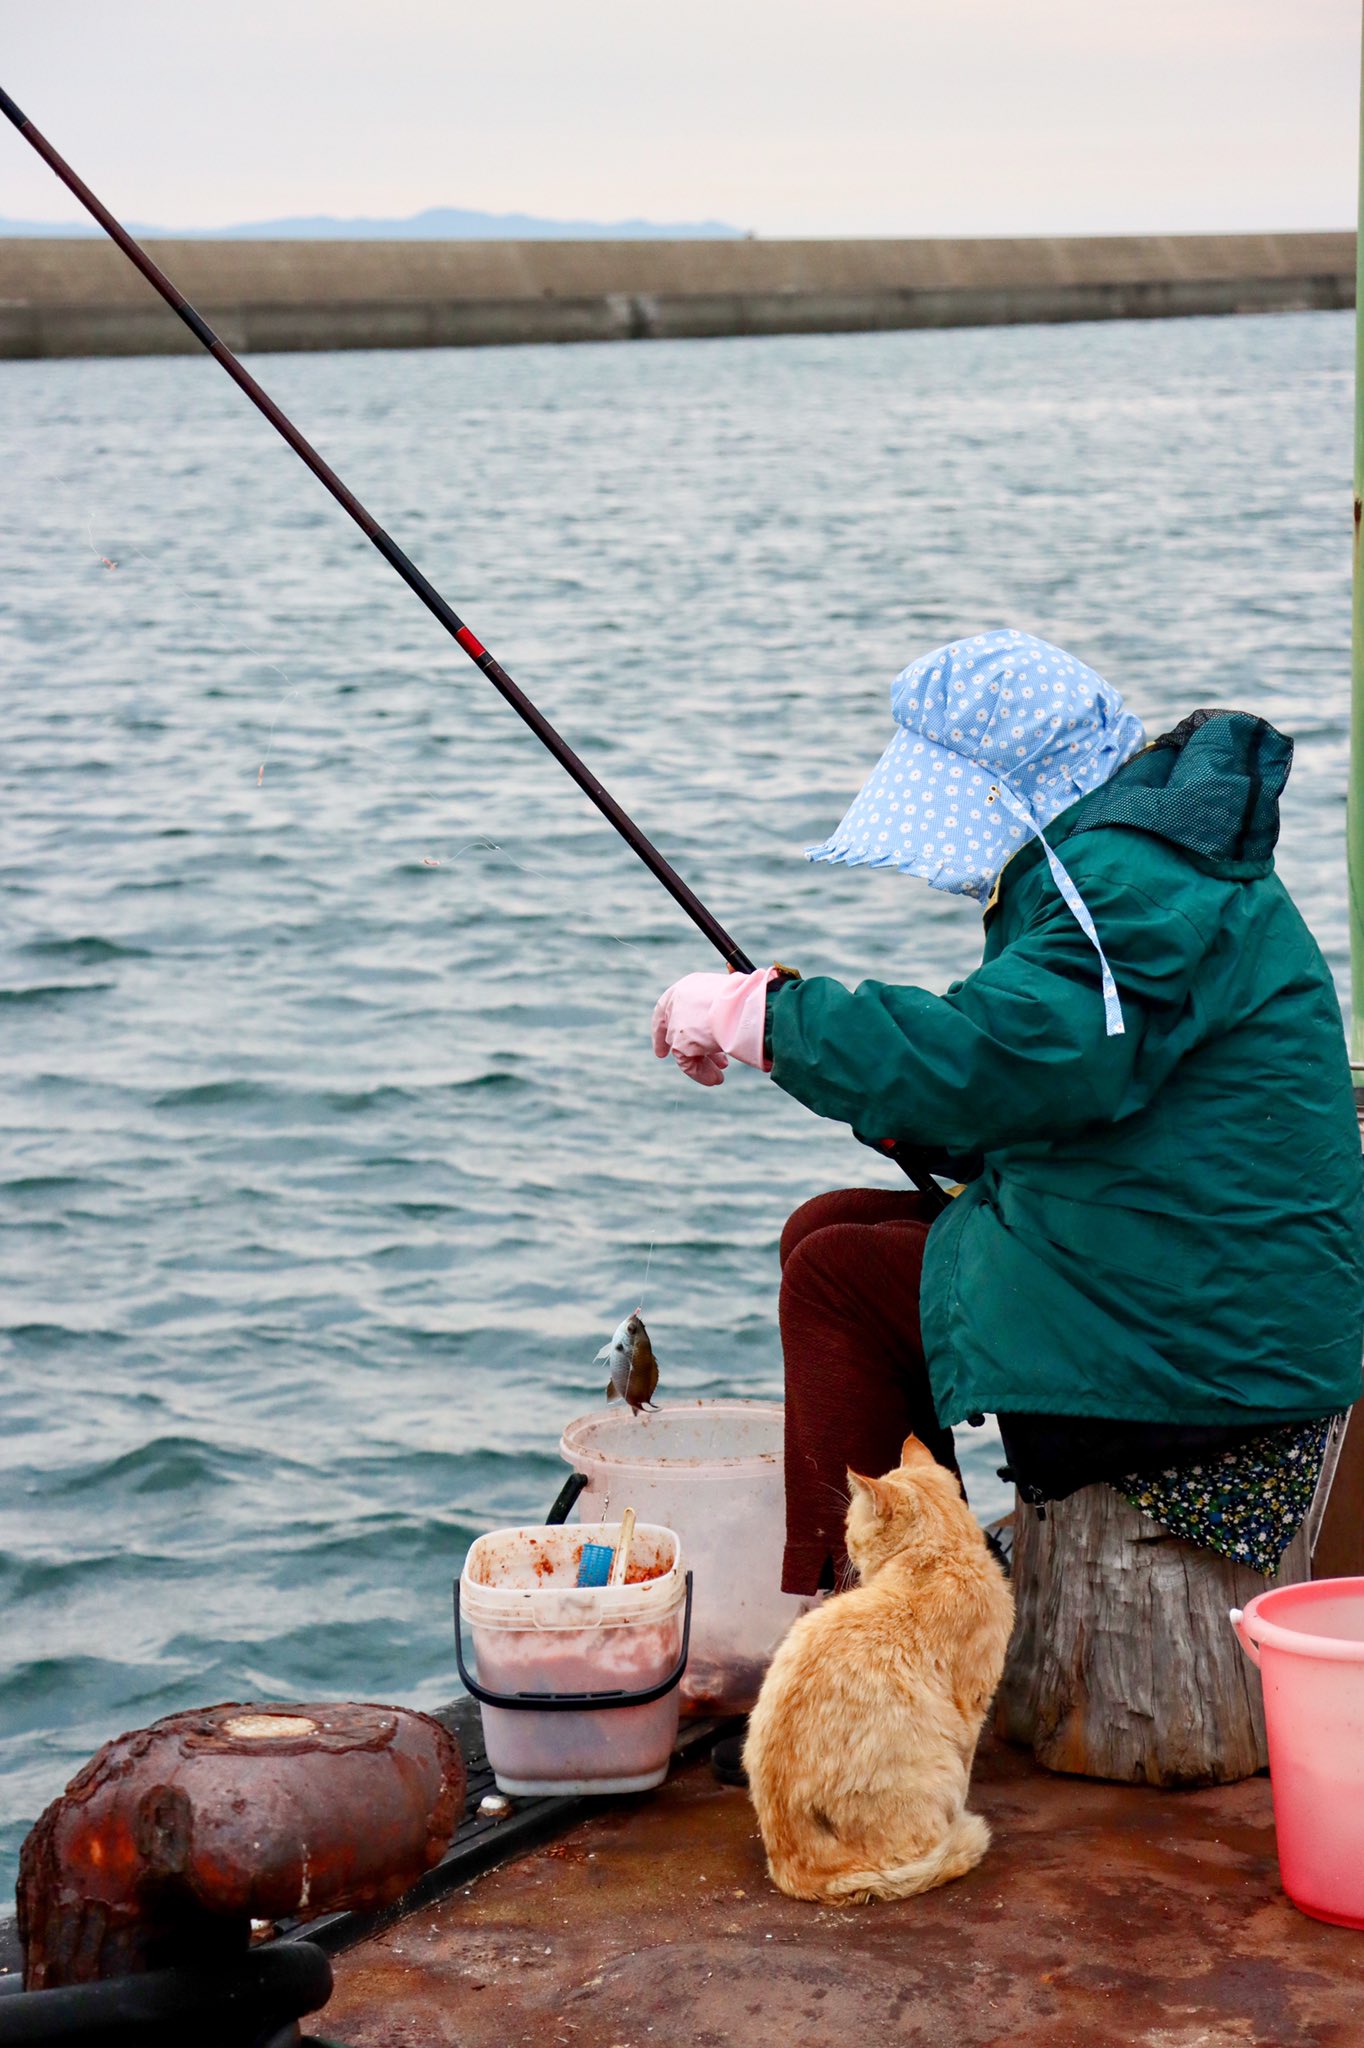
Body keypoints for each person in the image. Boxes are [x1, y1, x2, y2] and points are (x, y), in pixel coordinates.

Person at [652, 630, 1364, 1596]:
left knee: (837, 1279)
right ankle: (928, 1600)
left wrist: (773, 1021)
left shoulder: (1131, 886)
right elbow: (1033, 1089)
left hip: (1209, 1348)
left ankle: (865, 1640)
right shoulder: (1137, 860)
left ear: (1015, 784)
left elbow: (1005, 1061)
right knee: (826, 1229)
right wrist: (789, 1034)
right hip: (1197, 1280)